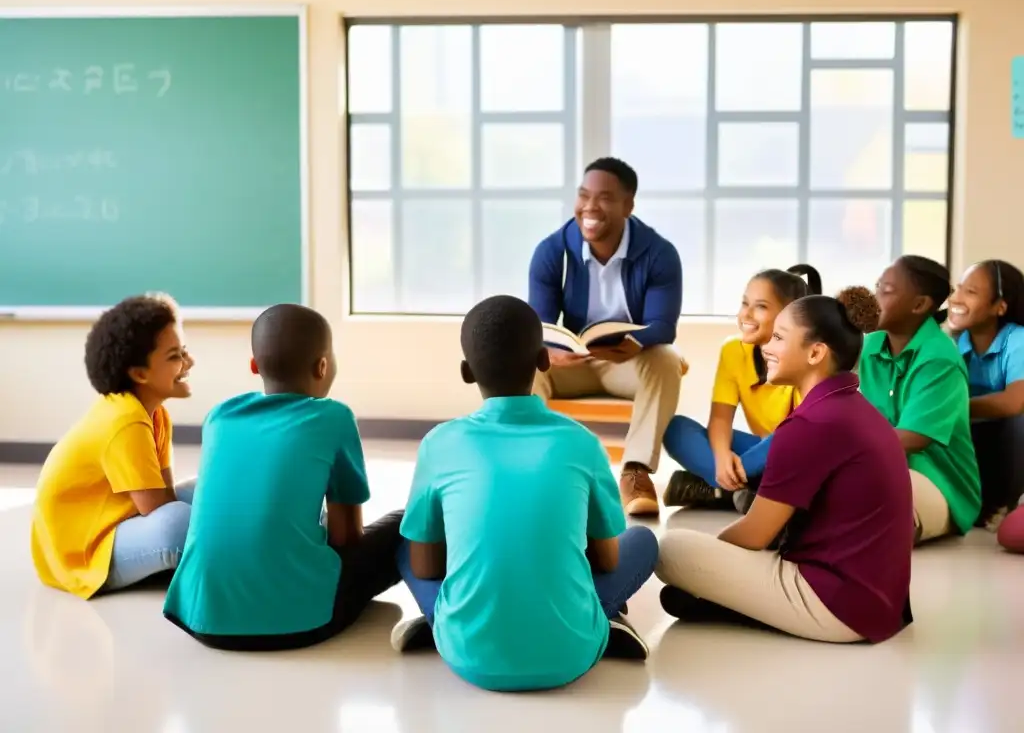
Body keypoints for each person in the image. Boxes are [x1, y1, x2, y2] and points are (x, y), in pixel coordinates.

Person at [390, 295, 659, 692]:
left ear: (466, 372)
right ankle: (602, 619)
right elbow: (608, 559)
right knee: (643, 540)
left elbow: (425, 568)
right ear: (544, 360)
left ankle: (443, 620)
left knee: (406, 536)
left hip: (467, 655)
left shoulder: (439, 443)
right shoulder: (582, 442)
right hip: (571, 654)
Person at [656, 290, 914, 644]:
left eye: (778, 337)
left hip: (837, 606)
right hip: (881, 605)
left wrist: (712, 560)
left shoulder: (810, 423)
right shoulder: (853, 409)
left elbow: (755, 535)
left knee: (670, 550)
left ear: (815, 353)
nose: (767, 346)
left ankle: (724, 599)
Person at [163, 304, 403, 650]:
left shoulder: (219, 417)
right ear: (323, 366)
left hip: (202, 617)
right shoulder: (333, 417)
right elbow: (346, 536)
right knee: (405, 524)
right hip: (299, 622)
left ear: (254, 366)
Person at [529, 157, 684, 517]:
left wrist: (633, 344)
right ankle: (536, 468)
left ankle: (635, 472)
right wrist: (550, 351)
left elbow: (663, 324)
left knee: (667, 358)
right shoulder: (552, 252)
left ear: (628, 206)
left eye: (605, 198)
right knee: (526, 363)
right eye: (584, 195)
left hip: (625, 363)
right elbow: (540, 324)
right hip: (572, 363)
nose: (590, 207)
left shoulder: (659, 253)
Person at [31, 293, 195, 598]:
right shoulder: (126, 421)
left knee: (206, 488)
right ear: (139, 373)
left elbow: (166, 494)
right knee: (178, 524)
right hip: (83, 552)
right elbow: (158, 509)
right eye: (175, 356)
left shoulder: (156, 414)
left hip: (119, 520)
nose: (190, 362)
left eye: (184, 351)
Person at [662, 264, 826, 512]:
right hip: (761, 453)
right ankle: (743, 489)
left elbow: (804, 435)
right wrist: (721, 459)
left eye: (761, 307)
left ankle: (724, 489)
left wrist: (738, 467)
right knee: (676, 429)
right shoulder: (733, 351)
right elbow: (720, 419)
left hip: (799, 456)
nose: (746, 314)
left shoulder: (809, 356)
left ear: (789, 316)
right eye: (744, 303)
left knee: (788, 436)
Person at [859, 255, 981, 544]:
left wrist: (841, 451)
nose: (875, 298)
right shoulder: (871, 345)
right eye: (878, 287)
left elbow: (913, 438)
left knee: (863, 503)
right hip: (880, 466)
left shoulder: (940, 358)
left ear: (919, 305)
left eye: (887, 291)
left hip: (938, 481)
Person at [947, 260, 1024, 528]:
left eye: (970, 292)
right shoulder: (952, 344)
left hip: (1013, 444)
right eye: (958, 288)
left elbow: (1015, 402)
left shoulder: (1017, 339)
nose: (956, 298)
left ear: (999, 306)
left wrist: (949, 408)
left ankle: (1012, 505)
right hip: (978, 444)